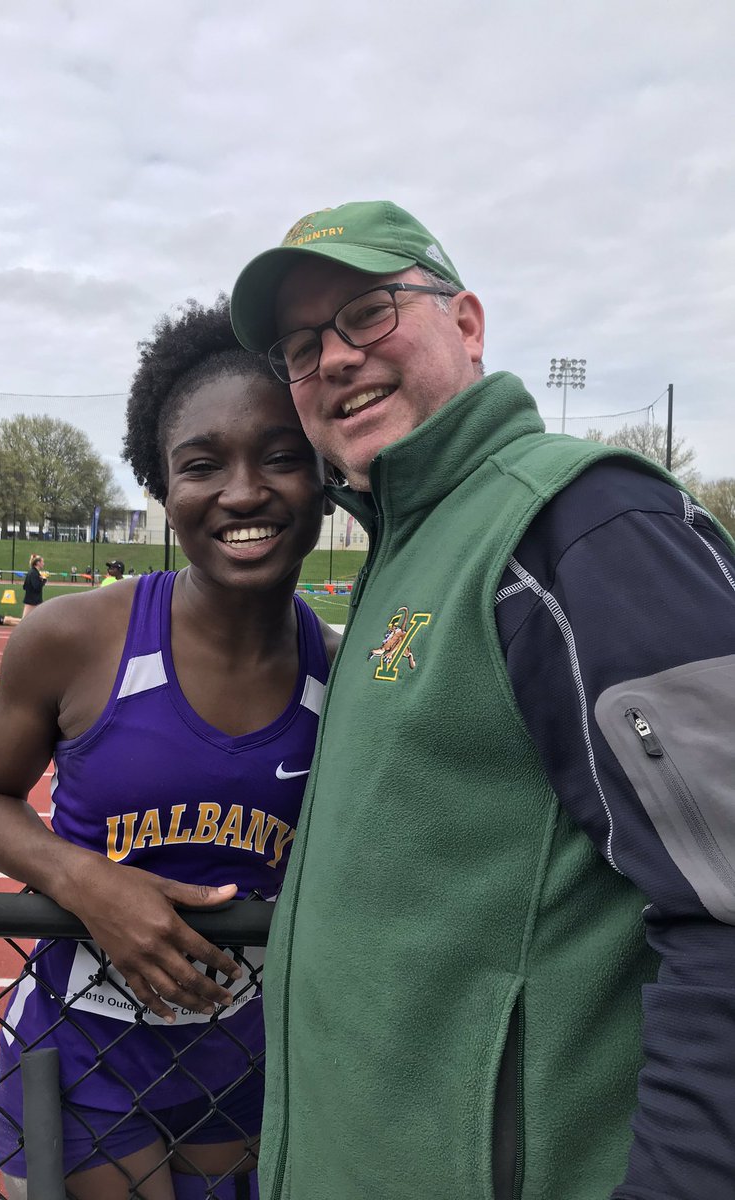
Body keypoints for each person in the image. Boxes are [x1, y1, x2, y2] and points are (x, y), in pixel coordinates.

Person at [229, 200, 735, 1200]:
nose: (332, 358)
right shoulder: (410, 546)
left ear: (466, 324)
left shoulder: (583, 523)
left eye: (369, 312)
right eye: (299, 345)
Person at [0, 297, 338, 1200]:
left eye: (282, 457)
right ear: (163, 489)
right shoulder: (70, 638)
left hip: (249, 1051)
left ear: (323, 476)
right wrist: (87, 882)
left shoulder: (344, 671)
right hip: (85, 1042)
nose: (244, 492)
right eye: (203, 465)